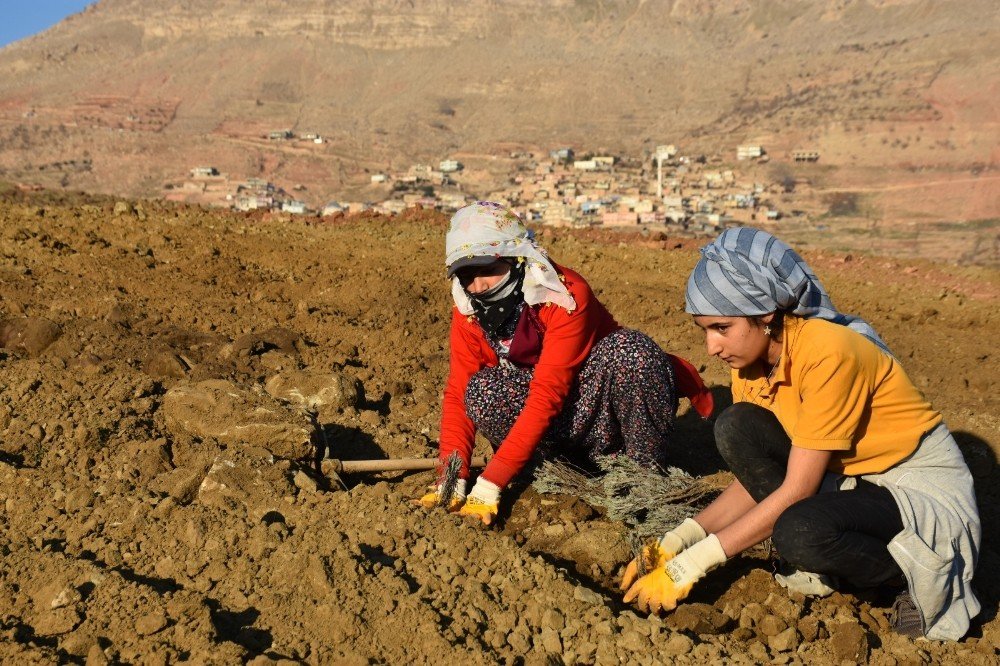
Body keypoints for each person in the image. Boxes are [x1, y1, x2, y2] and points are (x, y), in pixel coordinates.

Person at [621, 227, 980, 641]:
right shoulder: (750, 366)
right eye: (705, 329)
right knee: (737, 426)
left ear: (766, 315)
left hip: (914, 490)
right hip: (852, 481)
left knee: (798, 532)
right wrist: (678, 540)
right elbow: (754, 479)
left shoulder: (828, 354)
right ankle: (833, 560)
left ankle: (906, 581)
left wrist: (693, 564)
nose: (711, 348)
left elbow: (797, 489)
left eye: (722, 327)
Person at [415, 201, 713, 525]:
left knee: (632, 352)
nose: (478, 285)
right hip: (555, 426)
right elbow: (460, 390)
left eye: (488, 269)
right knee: (481, 391)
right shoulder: (469, 312)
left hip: (596, 405)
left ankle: (643, 479)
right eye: (466, 275)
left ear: (517, 259)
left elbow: (548, 393)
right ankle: (555, 474)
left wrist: (491, 481)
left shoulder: (564, 295)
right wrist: (451, 476)